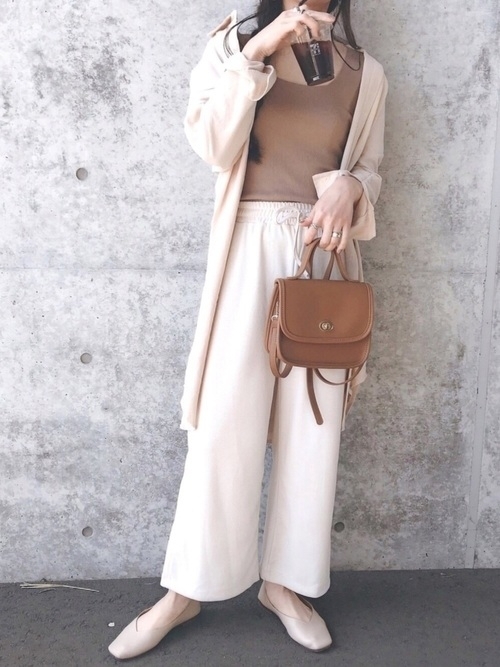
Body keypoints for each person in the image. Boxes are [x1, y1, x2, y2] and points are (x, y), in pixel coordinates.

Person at [108, 0, 387, 658]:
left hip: (322, 260)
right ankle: (186, 590)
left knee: (312, 429)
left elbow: (371, 169)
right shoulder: (233, 46)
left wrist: (350, 186)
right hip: (246, 248)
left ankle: (285, 586)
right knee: (222, 427)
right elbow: (212, 145)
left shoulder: (365, 71)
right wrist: (258, 51)